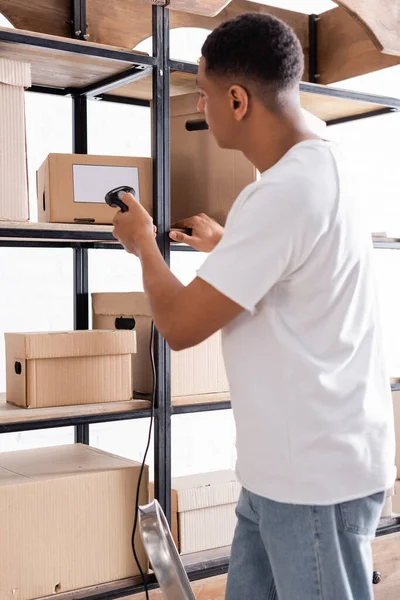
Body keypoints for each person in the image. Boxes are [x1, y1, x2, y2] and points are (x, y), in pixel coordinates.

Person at [112, 12, 395, 600]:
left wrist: (143, 245)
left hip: (313, 480)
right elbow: (305, 264)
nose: (199, 106)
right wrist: (227, 245)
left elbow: (181, 326)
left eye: (204, 93)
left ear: (237, 100)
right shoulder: (322, 158)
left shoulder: (281, 194)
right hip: (281, 471)